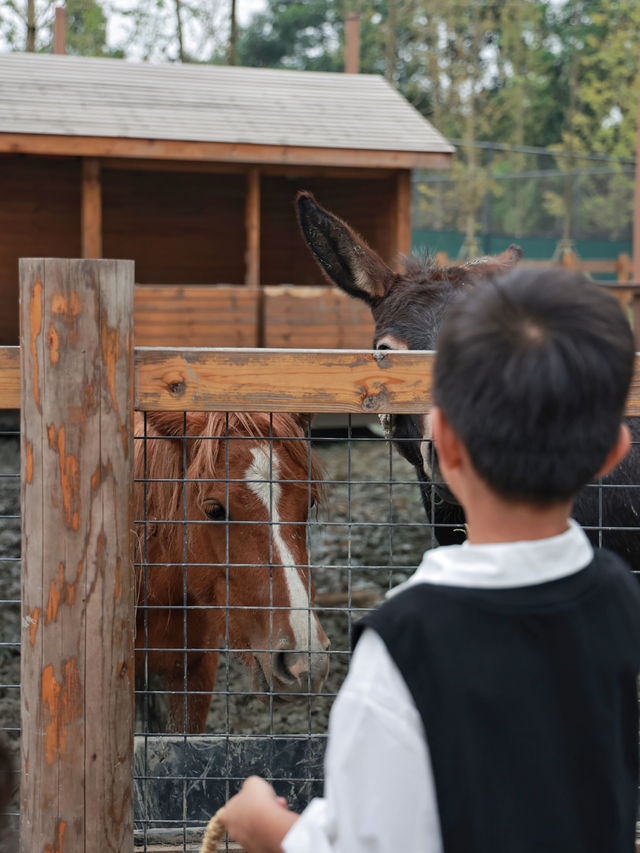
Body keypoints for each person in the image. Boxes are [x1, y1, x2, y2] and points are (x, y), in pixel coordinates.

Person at [222, 268, 640, 853]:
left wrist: (263, 826)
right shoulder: (618, 593)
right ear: (614, 450)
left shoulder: (403, 641)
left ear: (437, 438)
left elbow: (369, 843)